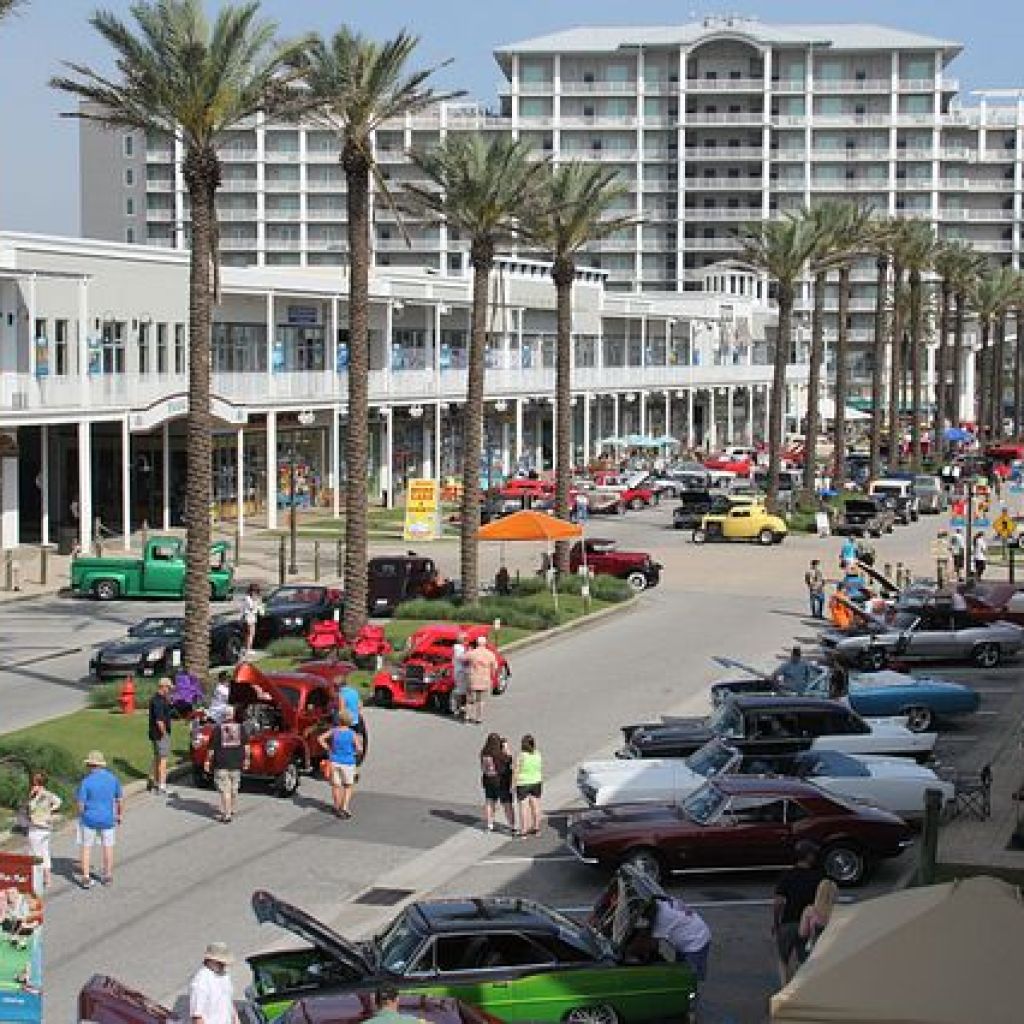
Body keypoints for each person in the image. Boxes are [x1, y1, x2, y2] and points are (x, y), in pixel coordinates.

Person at [772, 841, 823, 986]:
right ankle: (802, 988)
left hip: (788, 923)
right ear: (809, 856)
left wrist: (776, 923)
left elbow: (778, 903)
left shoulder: (787, 876)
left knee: (783, 959)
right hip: (807, 925)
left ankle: (785, 988)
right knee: (804, 959)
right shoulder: (818, 877)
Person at [76, 750, 123, 889]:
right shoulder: (112, 779)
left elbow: (80, 804)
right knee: (108, 847)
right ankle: (107, 876)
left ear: (91, 765)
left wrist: (82, 815)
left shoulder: (86, 782)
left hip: (89, 819)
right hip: (108, 819)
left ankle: (85, 877)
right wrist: (119, 815)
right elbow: (119, 799)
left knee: (86, 847)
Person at [204, 706, 250, 824]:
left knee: (225, 790)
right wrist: (247, 759)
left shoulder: (217, 729)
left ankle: (227, 814)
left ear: (224, 715)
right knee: (234, 788)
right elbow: (246, 746)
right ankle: (232, 809)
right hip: (236, 763)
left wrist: (207, 761)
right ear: (233, 715)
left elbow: (211, 748)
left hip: (221, 763)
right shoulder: (241, 728)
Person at [651, 895, 712, 981]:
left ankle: (692, 991)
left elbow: (652, 944)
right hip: (694, 933)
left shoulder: (663, 917)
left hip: (696, 941)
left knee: (688, 975)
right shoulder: (665, 902)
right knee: (681, 969)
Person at [318, 710, 363, 819]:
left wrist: (328, 748)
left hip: (334, 761)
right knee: (348, 785)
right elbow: (359, 749)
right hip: (348, 762)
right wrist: (354, 753)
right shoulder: (352, 734)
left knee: (336, 785)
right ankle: (345, 807)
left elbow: (320, 738)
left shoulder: (334, 731)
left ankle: (337, 807)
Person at [23, 772, 61, 889]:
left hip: (36, 829)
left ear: (35, 783)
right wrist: (50, 809)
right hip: (47, 828)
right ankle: (47, 879)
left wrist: (30, 796)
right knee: (45, 853)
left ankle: (36, 880)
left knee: (35, 854)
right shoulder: (48, 794)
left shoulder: (36, 796)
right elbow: (59, 801)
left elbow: (29, 808)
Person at [188, 941, 239, 1024]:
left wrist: (236, 1020)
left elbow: (228, 1001)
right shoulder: (201, 982)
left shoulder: (224, 975)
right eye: (220, 962)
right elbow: (197, 1017)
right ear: (209, 960)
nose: (223, 965)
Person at [479, 733, 515, 833]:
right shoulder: (499, 754)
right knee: (507, 804)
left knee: (489, 802)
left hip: (488, 781)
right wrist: (506, 748)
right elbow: (509, 760)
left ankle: (489, 825)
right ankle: (511, 825)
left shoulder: (484, 753)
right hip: (501, 782)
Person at [798, 878, 838, 963]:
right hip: (831, 949)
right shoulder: (837, 912)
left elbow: (803, 933)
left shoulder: (810, 911)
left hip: (814, 950)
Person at [147, 676, 174, 795]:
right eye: (168, 688)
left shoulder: (159, 699)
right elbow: (159, 720)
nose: (169, 690)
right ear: (163, 687)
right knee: (163, 760)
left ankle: (157, 783)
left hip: (155, 733)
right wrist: (164, 733)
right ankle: (162, 785)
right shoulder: (158, 701)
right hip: (159, 734)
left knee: (158, 758)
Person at [513, 734, 543, 837]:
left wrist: (513, 784)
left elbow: (516, 771)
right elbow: (539, 767)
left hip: (523, 783)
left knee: (523, 807)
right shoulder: (537, 753)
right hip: (536, 782)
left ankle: (523, 831)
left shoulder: (520, 755)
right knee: (536, 806)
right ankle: (537, 828)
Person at [466, 635, 498, 725]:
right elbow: (495, 667)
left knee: (470, 700)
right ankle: (478, 719)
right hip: (484, 680)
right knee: (481, 701)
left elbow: (463, 658)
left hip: (473, 679)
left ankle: (467, 717)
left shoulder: (472, 653)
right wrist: (492, 676)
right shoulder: (490, 654)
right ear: (485, 644)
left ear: (477, 643)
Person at [452, 631, 471, 720]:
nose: (467, 640)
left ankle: (460, 708)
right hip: (460, 672)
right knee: (461, 691)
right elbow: (462, 659)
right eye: (465, 639)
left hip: (463, 671)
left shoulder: (462, 647)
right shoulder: (458, 648)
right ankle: (458, 709)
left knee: (463, 691)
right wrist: (470, 654)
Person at [241, 583, 261, 655]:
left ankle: (247, 648)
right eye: (255, 592)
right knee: (250, 634)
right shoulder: (248, 599)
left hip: (252, 617)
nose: (255, 593)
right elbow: (251, 607)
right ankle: (248, 649)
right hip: (249, 617)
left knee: (249, 634)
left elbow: (259, 609)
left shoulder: (250, 598)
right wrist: (256, 601)